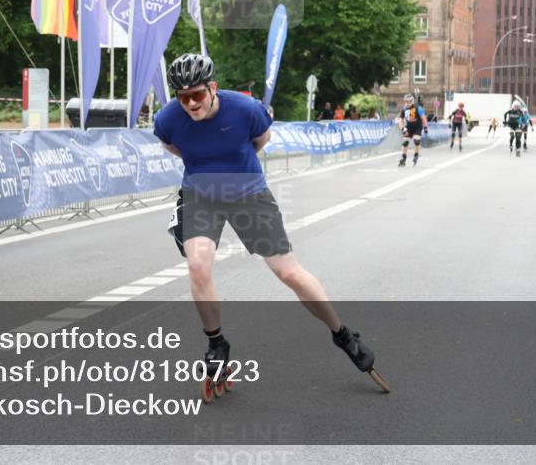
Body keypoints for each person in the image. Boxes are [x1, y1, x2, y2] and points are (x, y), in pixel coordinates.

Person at [154, 54, 389, 398]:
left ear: (213, 88)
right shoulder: (167, 119)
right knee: (198, 266)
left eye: (197, 95)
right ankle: (216, 344)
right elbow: (175, 148)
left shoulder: (245, 109)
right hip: (200, 195)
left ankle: (342, 334)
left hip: (249, 193)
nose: (190, 103)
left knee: (289, 273)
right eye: (182, 96)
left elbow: (260, 140)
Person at [397, 93, 427, 167]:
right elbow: (400, 120)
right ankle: (403, 157)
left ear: (413, 101)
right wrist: (403, 129)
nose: (408, 103)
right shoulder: (403, 109)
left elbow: (423, 118)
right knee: (405, 142)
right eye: (407, 101)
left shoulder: (418, 108)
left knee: (416, 141)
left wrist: (425, 127)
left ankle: (416, 155)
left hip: (417, 126)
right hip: (409, 126)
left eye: (410, 101)